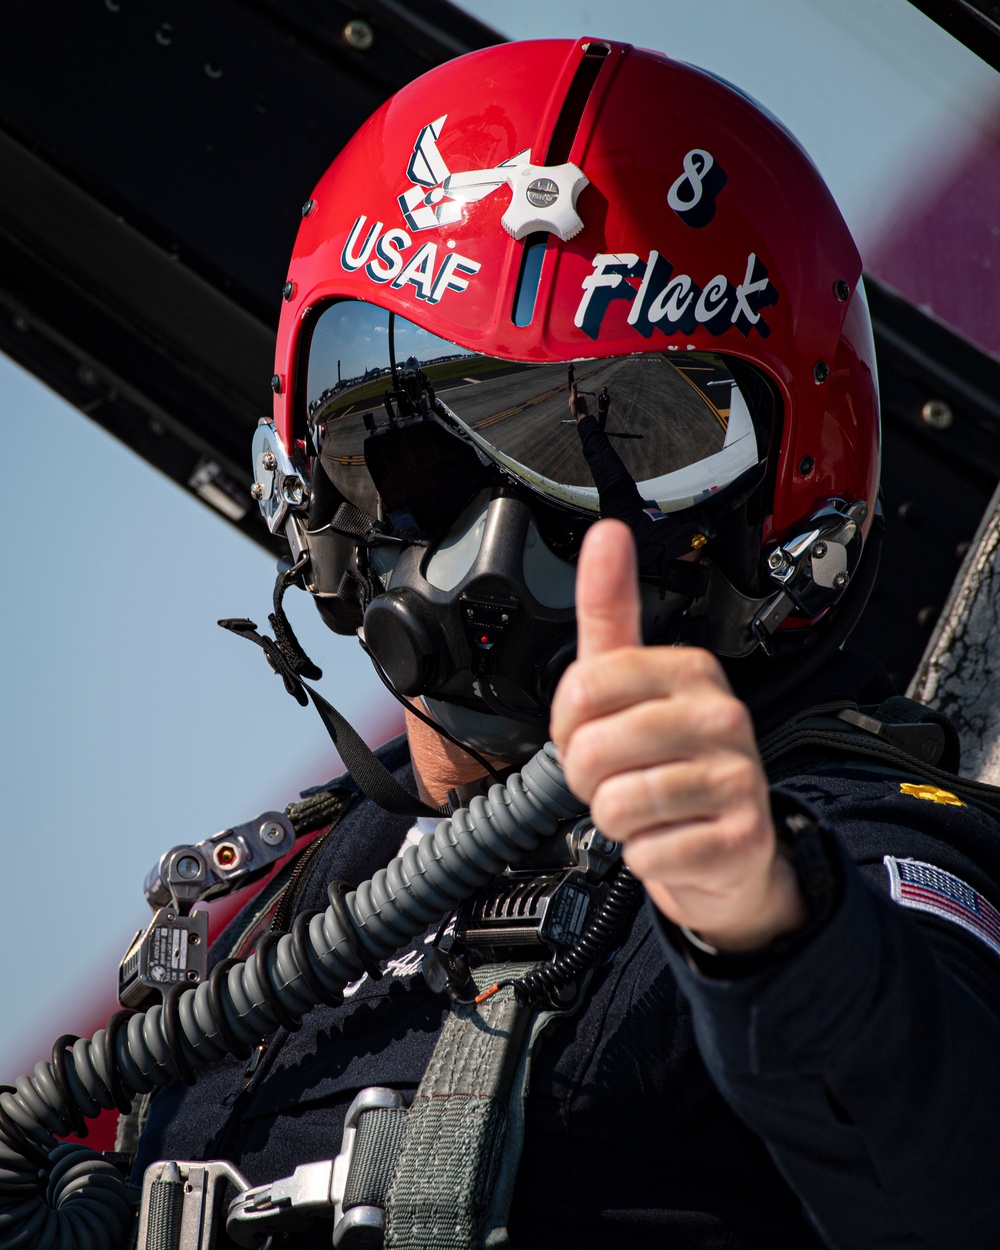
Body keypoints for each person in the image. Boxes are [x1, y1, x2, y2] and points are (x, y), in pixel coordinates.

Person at [6, 36, 1000, 1250]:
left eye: (615, 459)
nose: (492, 554)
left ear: (788, 493)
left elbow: (953, 1168)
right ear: (303, 457)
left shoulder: (835, 845)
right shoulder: (257, 911)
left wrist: (769, 924)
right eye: (425, 449)